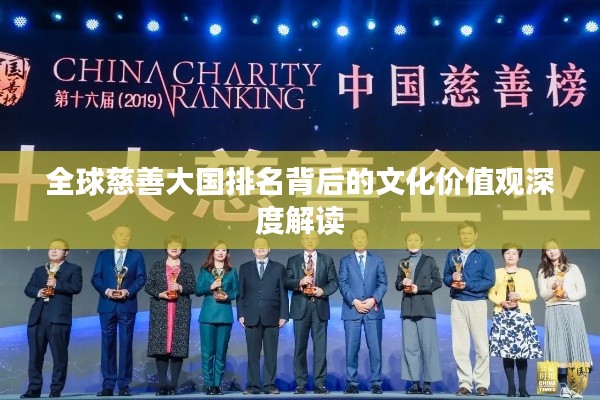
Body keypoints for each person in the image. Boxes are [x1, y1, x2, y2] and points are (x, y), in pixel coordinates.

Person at [21, 238, 83, 399]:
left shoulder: (73, 269)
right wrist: (39, 292)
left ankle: (56, 389)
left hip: (59, 318)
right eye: (51, 248)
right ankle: (34, 389)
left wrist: (56, 285)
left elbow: (76, 287)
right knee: (35, 356)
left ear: (66, 253)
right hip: (38, 317)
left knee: (59, 356)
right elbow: (28, 289)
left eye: (58, 248)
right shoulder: (39, 270)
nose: (54, 251)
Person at [91, 225, 147, 397]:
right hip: (107, 305)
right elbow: (96, 278)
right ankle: (108, 385)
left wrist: (127, 291)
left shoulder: (136, 256)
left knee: (125, 344)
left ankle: (124, 385)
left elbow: (141, 278)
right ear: (113, 236)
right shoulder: (103, 255)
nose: (124, 237)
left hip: (126, 305)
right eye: (121, 234)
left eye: (127, 235)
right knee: (107, 345)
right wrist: (107, 291)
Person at [442, 220, 495, 396]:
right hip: (457, 302)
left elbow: (489, 281)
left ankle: (481, 384)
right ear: (459, 235)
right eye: (463, 233)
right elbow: (445, 277)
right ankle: (465, 383)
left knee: (481, 346)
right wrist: (452, 279)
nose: (466, 236)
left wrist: (467, 284)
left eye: (469, 233)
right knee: (460, 347)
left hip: (477, 302)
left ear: (475, 235)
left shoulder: (484, 256)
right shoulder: (452, 255)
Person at [284, 231, 339, 394]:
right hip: (300, 308)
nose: (310, 241)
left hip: (320, 307)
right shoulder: (293, 260)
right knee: (299, 348)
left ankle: (319, 383)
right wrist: (299, 282)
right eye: (307, 238)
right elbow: (286, 281)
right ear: (302, 240)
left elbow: (334, 282)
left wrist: (323, 291)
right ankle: (301, 383)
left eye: (313, 238)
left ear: (318, 240)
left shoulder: (327, 260)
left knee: (320, 349)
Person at [537, 239, 592, 399]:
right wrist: (552, 288)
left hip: (572, 309)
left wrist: (568, 295)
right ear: (545, 253)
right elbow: (543, 294)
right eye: (548, 249)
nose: (552, 251)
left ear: (561, 249)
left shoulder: (573, 268)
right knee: (557, 348)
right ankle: (563, 386)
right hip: (553, 311)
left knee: (575, 346)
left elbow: (582, 291)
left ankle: (577, 388)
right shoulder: (543, 271)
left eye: (555, 248)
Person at [488, 244, 542, 397]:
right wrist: (501, 302)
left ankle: (523, 388)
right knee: (507, 353)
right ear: (503, 255)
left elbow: (533, 295)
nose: (510, 256)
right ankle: (511, 387)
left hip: (521, 316)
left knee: (522, 353)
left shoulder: (525, 273)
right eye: (507, 253)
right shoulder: (496, 273)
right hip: (503, 315)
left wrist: (519, 296)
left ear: (519, 256)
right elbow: (491, 293)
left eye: (514, 253)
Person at [338, 227, 387, 395]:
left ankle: (376, 383)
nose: (359, 240)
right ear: (351, 241)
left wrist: (373, 299)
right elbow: (342, 283)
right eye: (356, 238)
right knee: (351, 349)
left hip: (373, 310)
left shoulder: (377, 260)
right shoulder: (345, 261)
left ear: (367, 240)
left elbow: (383, 283)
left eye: (362, 237)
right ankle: (352, 382)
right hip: (352, 310)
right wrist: (355, 301)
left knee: (375, 348)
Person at [237, 236, 289, 395]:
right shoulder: (244, 268)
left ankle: (269, 385)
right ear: (252, 250)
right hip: (251, 316)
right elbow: (241, 293)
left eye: (264, 245)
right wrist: (240, 313)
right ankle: (253, 385)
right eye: (257, 246)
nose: (260, 248)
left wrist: (284, 314)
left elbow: (283, 293)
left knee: (271, 354)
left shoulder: (278, 268)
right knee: (252, 354)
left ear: (269, 249)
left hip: (273, 315)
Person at [145, 234, 196, 395]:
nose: (174, 247)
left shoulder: (187, 267)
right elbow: (148, 286)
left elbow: (193, 287)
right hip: (161, 310)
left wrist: (180, 287)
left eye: (178, 245)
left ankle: (173, 385)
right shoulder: (157, 266)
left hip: (180, 310)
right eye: (171, 244)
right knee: (161, 348)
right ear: (166, 247)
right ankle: (163, 386)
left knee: (177, 348)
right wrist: (160, 294)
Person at [394, 231, 442, 395]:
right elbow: (397, 284)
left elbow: (438, 282)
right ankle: (414, 383)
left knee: (428, 347)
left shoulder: (429, 260)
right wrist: (403, 282)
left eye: (416, 240)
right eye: (410, 240)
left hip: (425, 309)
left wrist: (419, 288)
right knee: (410, 347)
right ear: (406, 243)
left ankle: (427, 383)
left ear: (422, 242)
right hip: (408, 308)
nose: (413, 243)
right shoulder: (403, 262)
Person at [195, 240, 239, 395]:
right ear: (212, 253)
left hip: (225, 314)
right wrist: (210, 287)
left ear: (227, 253)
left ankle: (217, 385)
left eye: (224, 250)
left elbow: (236, 291)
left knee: (221, 353)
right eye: (217, 250)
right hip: (208, 315)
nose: (220, 253)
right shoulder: (205, 271)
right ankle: (208, 385)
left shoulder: (232, 271)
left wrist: (228, 296)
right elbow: (197, 290)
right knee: (207, 353)